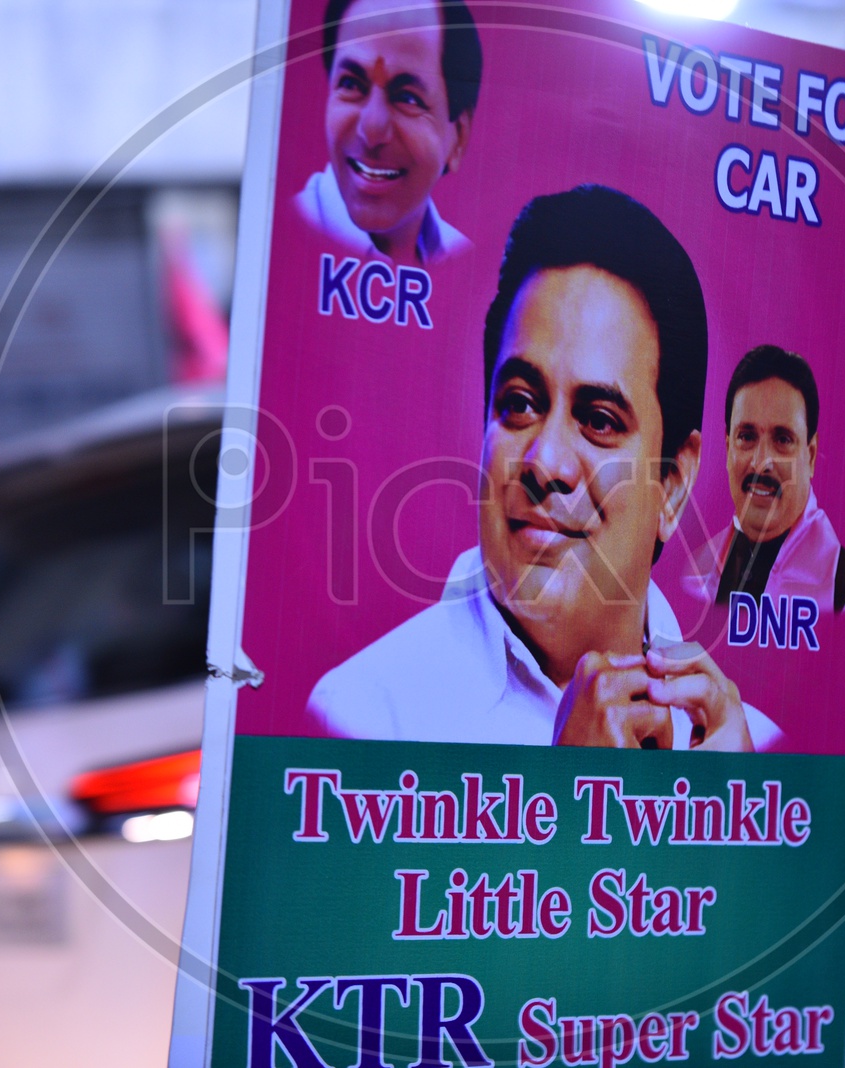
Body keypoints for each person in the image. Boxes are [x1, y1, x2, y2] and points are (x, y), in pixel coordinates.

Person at [308, 186, 780, 752]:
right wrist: (566, 797)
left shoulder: (747, 750)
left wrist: (728, 824)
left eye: (599, 420)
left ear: (672, 486)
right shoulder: (363, 720)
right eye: (520, 404)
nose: (544, 461)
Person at [294, 0, 481, 264]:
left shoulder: (464, 260)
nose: (371, 130)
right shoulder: (284, 236)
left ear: (459, 137)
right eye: (351, 84)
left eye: (408, 98)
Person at [699, 346, 845, 615]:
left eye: (782, 440)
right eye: (747, 436)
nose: (761, 462)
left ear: (810, 456)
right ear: (727, 446)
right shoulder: (696, 573)